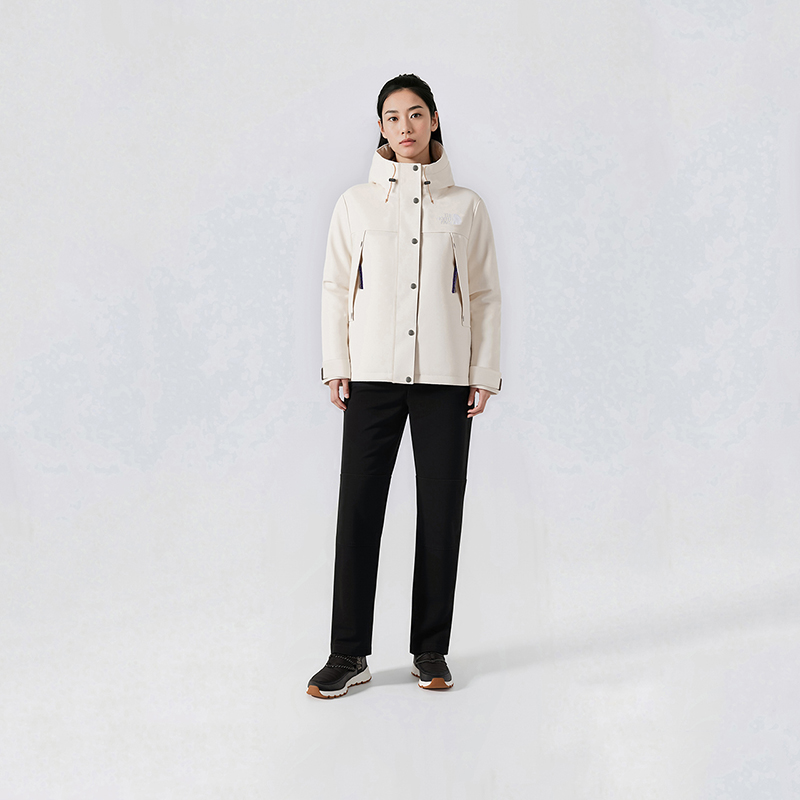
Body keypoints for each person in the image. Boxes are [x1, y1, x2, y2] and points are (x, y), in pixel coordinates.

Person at [307, 74, 502, 698]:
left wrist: (482, 371)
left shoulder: (466, 206)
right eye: (393, 117)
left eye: (416, 114)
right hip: (370, 375)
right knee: (358, 510)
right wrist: (336, 362)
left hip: (445, 377)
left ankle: (430, 650)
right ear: (382, 128)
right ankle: (347, 653)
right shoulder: (355, 204)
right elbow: (336, 285)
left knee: (441, 512)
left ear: (434, 119)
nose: (405, 127)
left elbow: (483, 293)